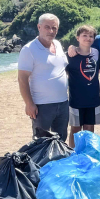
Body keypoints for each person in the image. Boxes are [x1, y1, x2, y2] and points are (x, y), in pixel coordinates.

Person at [17, 13, 69, 141]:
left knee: (61, 140)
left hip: (63, 103)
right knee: (41, 142)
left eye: (54, 28)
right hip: (42, 105)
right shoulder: (29, 49)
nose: (51, 31)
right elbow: (22, 78)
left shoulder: (57, 45)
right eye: (47, 27)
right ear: (39, 27)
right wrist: (29, 103)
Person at [65, 24, 100, 147]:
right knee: (75, 129)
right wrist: (71, 47)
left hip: (93, 99)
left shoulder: (96, 52)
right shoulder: (70, 55)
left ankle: (87, 152)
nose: (88, 38)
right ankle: (73, 154)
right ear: (77, 38)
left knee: (89, 129)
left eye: (90, 36)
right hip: (76, 99)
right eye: (84, 35)